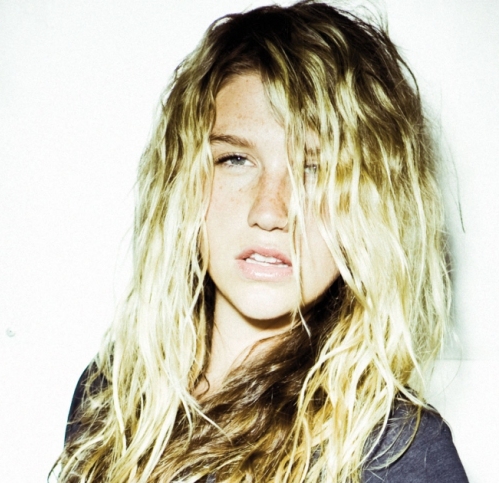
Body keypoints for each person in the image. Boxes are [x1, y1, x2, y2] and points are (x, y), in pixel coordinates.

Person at [53, 2, 467, 482]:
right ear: (182, 180)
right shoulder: (113, 393)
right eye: (236, 160)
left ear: (375, 206)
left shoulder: (395, 450)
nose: (270, 211)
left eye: (316, 170)